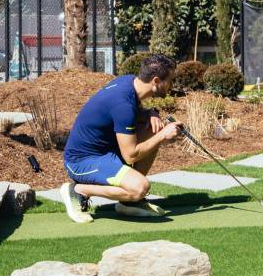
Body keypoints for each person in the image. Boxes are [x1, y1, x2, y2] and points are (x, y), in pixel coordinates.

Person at [60, 52, 182, 222]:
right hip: (81, 161)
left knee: (154, 128)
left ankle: (130, 203)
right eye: (170, 80)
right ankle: (79, 191)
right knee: (140, 187)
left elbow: (133, 113)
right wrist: (163, 136)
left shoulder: (129, 82)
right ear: (155, 81)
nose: (171, 84)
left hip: (105, 152)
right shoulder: (122, 104)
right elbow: (131, 155)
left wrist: (150, 113)